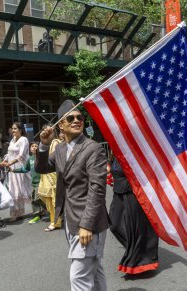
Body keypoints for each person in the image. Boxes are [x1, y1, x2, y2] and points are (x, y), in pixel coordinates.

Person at [35, 100, 109, 291]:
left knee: (79, 275)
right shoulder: (59, 148)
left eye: (80, 117)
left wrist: (87, 224)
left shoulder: (93, 148)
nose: (77, 120)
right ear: (61, 124)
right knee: (94, 267)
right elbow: (42, 168)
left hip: (88, 221)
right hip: (69, 218)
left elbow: (97, 189)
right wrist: (44, 146)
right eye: (71, 118)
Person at [109, 156, 159, 274]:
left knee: (137, 229)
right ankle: (137, 249)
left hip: (133, 194)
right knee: (114, 225)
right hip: (118, 194)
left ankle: (140, 257)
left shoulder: (131, 150)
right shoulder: (114, 152)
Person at [0, 122, 31, 221]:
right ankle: (17, 212)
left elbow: (21, 155)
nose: (13, 130)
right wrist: (4, 161)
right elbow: (9, 153)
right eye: (12, 129)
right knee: (13, 190)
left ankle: (41, 209)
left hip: (20, 168)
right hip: (12, 168)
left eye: (15, 129)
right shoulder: (12, 140)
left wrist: (9, 163)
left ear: (20, 130)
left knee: (23, 190)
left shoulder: (23, 140)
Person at [10, 142, 45, 224]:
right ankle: (38, 215)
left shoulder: (42, 158)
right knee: (34, 199)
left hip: (42, 182)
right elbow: (25, 169)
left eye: (36, 146)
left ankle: (46, 211)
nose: (34, 147)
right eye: (32, 146)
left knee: (37, 198)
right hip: (34, 183)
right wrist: (14, 170)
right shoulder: (30, 159)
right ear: (30, 149)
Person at [38, 126, 62, 232]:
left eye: (48, 130)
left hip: (53, 176)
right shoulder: (45, 143)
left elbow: (53, 160)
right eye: (43, 130)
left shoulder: (56, 142)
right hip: (45, 175)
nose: (45, 132)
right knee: (48, 200)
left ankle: (55, 222)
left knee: (54, 200)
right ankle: (56, 219)